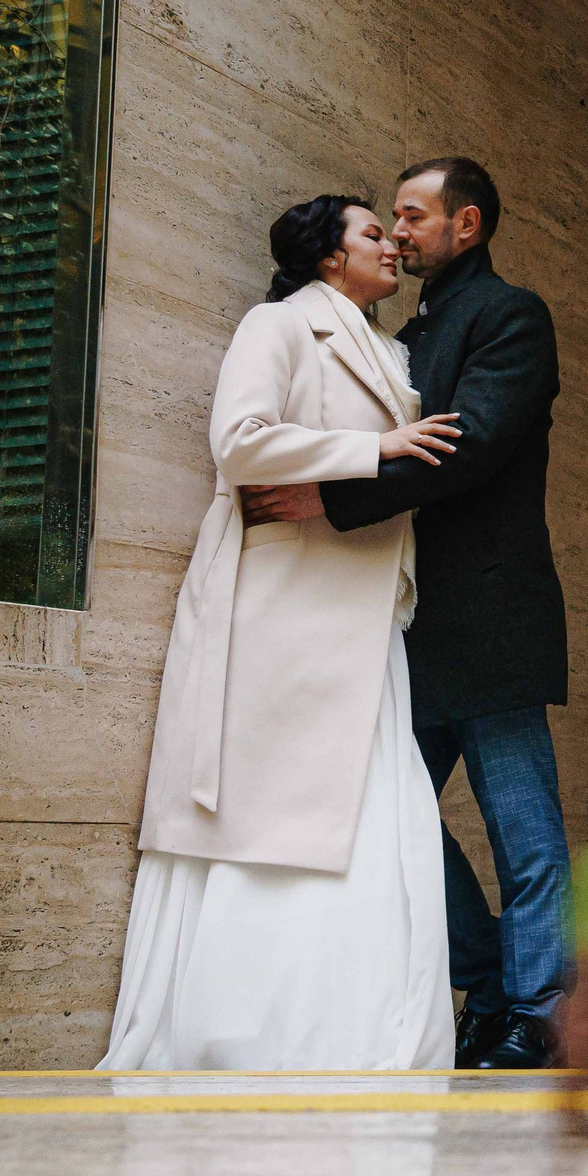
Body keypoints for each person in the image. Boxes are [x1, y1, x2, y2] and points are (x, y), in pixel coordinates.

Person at [99, 196, 464, 1070]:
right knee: (278, 828)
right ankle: (258, 1036)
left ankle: (373, 1036)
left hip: (365, 617)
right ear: (329, 257)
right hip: (286, 614)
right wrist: (375, 451)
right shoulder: (279, 324)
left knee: (387, 818)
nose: (390, 244)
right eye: (372, 231)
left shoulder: (391, 349)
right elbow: (239, 442)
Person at [242, 158, 573, 1070]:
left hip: (494, 616)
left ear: (467, 225)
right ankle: (492, 978)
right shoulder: (403, 334)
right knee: (388, 819)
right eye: (390, 218)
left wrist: (329, 500)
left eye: (415, 216)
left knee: (525, 832)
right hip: (407, 625)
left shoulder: (511, 316)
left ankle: (537, 1009)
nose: (398, 232)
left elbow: (467, 446)